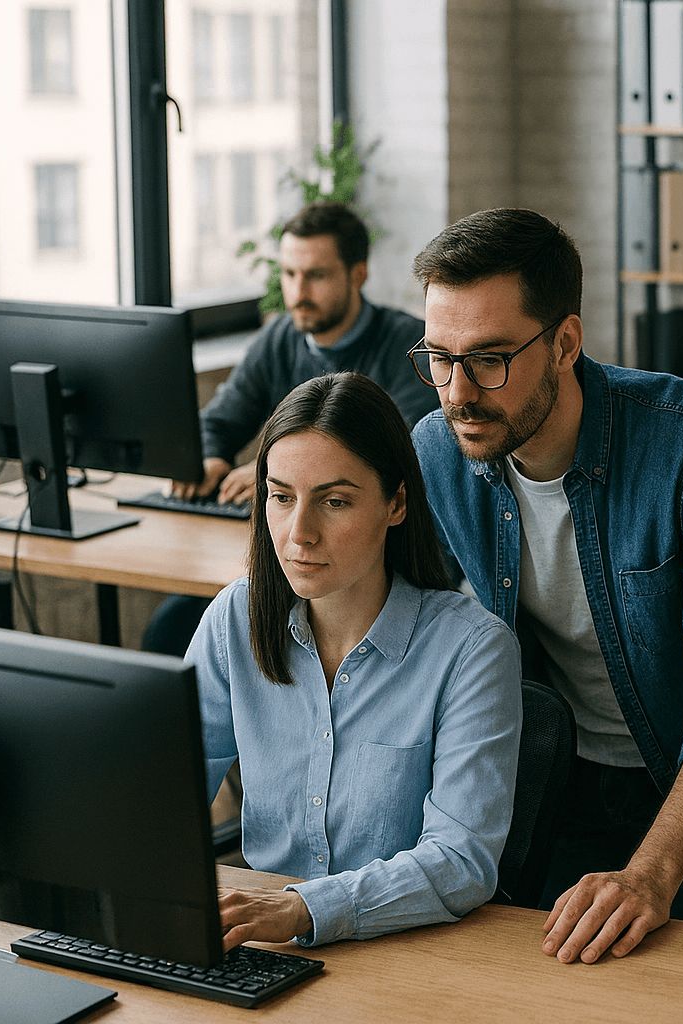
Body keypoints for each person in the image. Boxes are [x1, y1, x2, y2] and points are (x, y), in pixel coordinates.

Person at [407, 208, 683, 965]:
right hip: (562, 768)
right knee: (561, 981)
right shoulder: (439, 449)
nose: (458, 391)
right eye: (439, 357)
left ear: (565, 342)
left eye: (490, 358)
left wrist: (650, 873)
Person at [188, 371, 521, 949]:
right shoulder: (234, 619)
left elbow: (460, 860)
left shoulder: (472, 650)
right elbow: (167, 792)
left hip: (407, 952)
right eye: (281, 496)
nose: (299, 534)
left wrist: (301, 911)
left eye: (334, 501)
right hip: (260, 947)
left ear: (396, 503)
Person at [146, 201, 437, 656]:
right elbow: (219, 421)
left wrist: (271, 472)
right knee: (168, 629)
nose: (298, 291)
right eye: (289, 274)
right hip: (282, 554)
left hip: (371, 566)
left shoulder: (408, 347)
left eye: (316, 275)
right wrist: (209, 457)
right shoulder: (279, 338)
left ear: (357, 274)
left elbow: (411, 460)